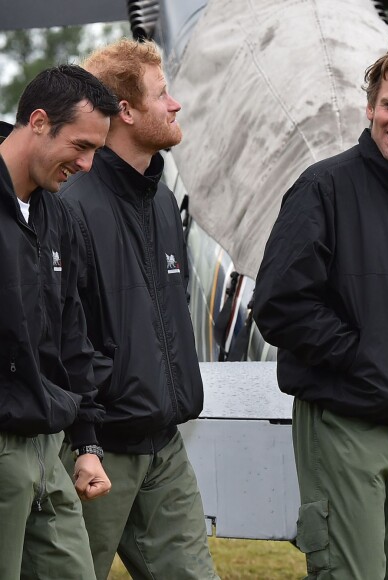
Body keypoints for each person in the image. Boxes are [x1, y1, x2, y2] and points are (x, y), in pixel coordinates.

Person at [253, 37, 388, 579]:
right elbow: (279, 305)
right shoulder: (322, 187)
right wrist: (364, 358)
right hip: (346, 424)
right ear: (369, 106)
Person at [58, 39, 219, 580]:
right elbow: (60, 339)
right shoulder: (71, 206)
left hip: (166, 449)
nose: (176, 105)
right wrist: (86, 441)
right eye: (162, 94)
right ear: (124, 111)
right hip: (95, 455)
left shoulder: (161, 201)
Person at [0, 64, 120, 580]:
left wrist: (88, 442)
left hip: (51, 447)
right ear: (40, 121)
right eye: (81, 145)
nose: (89, 165)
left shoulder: (61, 219)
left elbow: (74, 338)